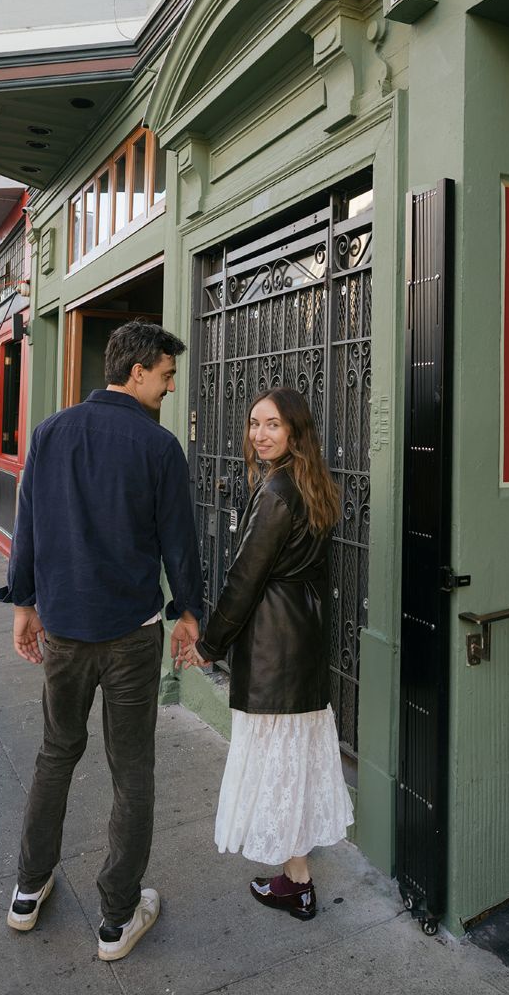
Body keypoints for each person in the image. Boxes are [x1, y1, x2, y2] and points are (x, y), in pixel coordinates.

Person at [0, 320, 203, 961]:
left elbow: (27, 526)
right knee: (131, 769)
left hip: (63, 629)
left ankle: (28, 890)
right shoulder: (158, 446)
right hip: (131, 636)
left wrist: (24, 605)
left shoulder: (50, 433)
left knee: (55, 755)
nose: (170, 388)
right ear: (138, 371)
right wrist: (190, 612)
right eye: (166, 376)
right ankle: (117, 917)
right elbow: (180, 542)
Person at [182, 386, 354, 920]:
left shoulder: (277, 490)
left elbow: (243, 579)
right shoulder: (314, 483)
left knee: (278, 765)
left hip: (275, 646)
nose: (259, 434)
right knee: (294, 763)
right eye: (254, 423)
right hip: (301, 638)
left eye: (273, 425)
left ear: (295, 431)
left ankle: (296, 882)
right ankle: (297, 879)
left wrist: (209, 644)